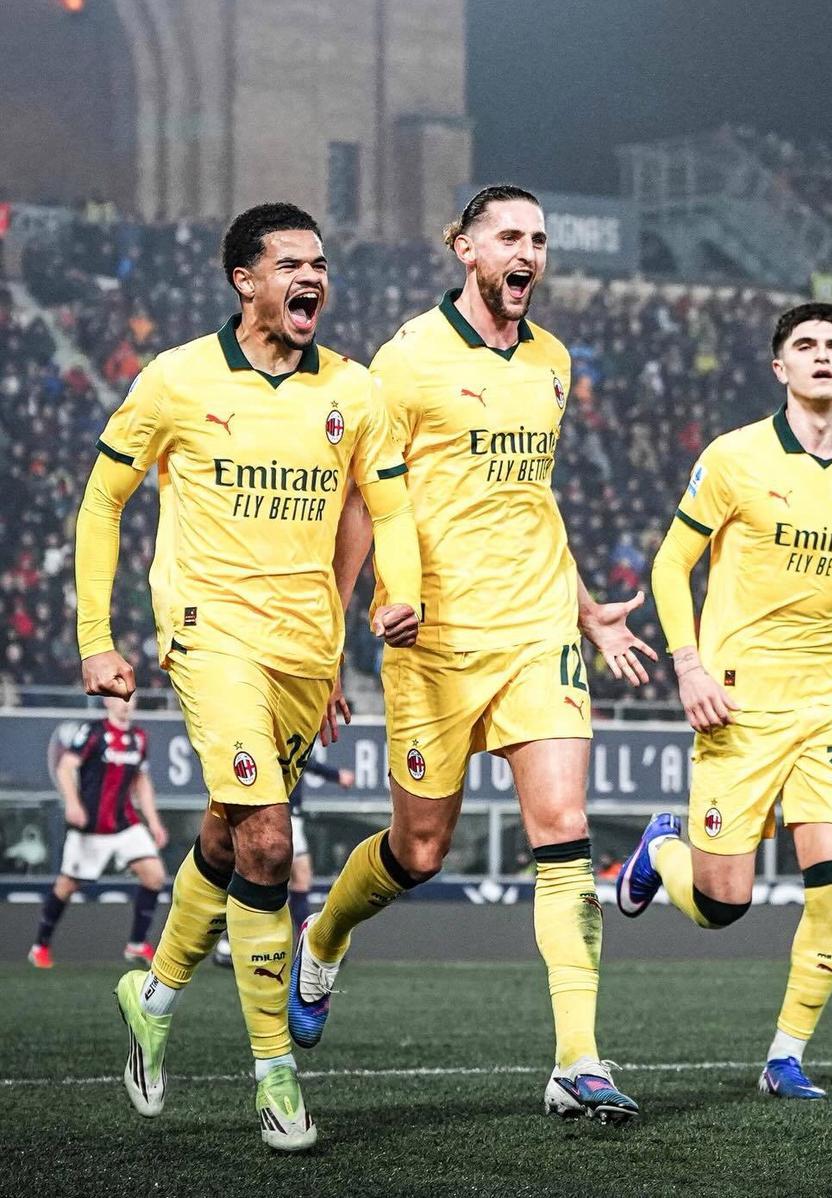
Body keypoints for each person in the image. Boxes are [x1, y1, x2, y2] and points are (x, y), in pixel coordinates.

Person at [289, 185, 656, 1124]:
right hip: (436, 641)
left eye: (540, 239)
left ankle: (578, 1060)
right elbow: (363, 503)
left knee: (563, 828)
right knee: (418, 850)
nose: (528, 253)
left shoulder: (553, 362)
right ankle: (324, 937)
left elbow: (530, 500)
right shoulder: (406, 361)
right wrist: (330, 640)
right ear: (465, 248)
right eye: (510, 238)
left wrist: (586, 612)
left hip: (537, 628)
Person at [75, 202, 421, 1151]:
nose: (313, 278)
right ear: (246, 280)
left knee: (229, 834)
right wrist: (96, 638)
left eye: (321, 265)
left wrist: (395, 598)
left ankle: (153, 996)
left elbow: (388, 509)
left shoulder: (354, 390)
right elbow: (103, 501)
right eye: (292, 264)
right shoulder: (177, 379)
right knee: (270, 839)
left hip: (305, 650)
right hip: (210, 635)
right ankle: (276, 1073)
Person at [617, 302, 832, 1101]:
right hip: (740, 701)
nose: (822, 356)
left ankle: (785, 1055)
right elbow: (670, 566)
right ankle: (661, 851)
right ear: (780, 368)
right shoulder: (735, 457)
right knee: (721, 904)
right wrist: (689, 667)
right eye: (805, 345)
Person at [28, 694, 167, 968]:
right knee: (67, 886)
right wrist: (73, 803)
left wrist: (154, 822)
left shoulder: (139, 738)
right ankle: (40, 945)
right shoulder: (93, 732)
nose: (126, 703)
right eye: (119, 699)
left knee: (155, 876)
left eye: (130, 698)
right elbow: (65, 767)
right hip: (91, 826)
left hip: (125, 824)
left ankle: (137, 944)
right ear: (107, 702)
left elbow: (141, 782)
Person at [212, 758, 355, 967]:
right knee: (270, 882)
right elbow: (300, 758)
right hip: (280, 817)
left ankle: (308, 946)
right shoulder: (279, 744)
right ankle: (231, 943)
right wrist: (335, 775)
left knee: (293, 879)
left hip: (283, 816)